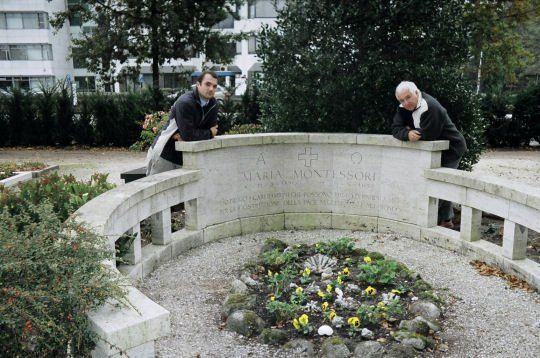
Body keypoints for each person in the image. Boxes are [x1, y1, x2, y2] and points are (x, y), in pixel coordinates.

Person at [391, 81, 467, 229]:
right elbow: (395, 129)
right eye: (402, 100)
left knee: (442, 184)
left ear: (417, 92)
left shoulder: (431, 107)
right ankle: (445, 220)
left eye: (408, 97)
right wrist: (407, 133)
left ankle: (443, 220)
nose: (406, 103)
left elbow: (427, 136)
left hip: (451, 149)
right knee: (437, 183)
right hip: (434, 149)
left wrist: (410, 130)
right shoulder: (403, 108)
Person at [146, 70, 219, 175]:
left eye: (214, 86)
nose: (211, 89)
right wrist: (209, 133)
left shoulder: (213, 105)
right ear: (198, 84)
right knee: (156, 190)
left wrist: (195, 134)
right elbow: (189, 135)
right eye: (208, 84)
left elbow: (213, 129)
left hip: (187, 158)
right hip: (164, 156)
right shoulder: (185, 102)